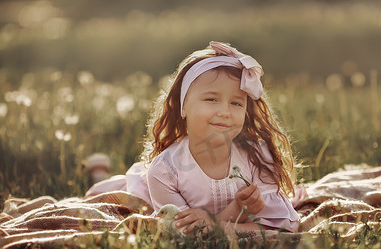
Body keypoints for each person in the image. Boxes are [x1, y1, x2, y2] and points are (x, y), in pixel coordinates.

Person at [86, 41, 300, 234]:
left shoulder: (258, 156)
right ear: (183, 106)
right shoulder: (164, 171)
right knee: (125, 196)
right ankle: (99, 175)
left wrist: (228, 216)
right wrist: (230, 217)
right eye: (211, 99)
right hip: (152, 192)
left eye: (236, 103)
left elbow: (284, 224)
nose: (225, 111)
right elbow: (184, 233)